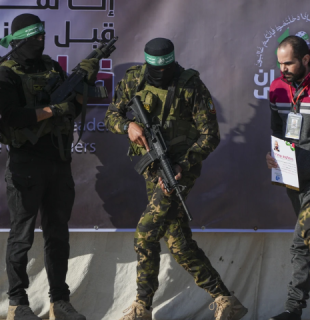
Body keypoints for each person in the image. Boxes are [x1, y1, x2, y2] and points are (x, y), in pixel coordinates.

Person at [105, 38, 247, 320]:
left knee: (145, 233)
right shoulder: (134, 79)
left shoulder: (191, 85)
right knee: (178, 242)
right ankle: (226, 300)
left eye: (165, 70)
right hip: (151, 168)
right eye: (154, 70)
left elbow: (210, 135)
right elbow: (112, 115)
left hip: (179, 170)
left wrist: (184, 163)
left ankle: (142, 307)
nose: (160, 76)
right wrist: (127, 126)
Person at [0, 13, 99, 320]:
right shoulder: (4, 74)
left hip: (58, 161)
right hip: (26, 163)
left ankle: (59, 302)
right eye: (35, 37)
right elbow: (14, 116)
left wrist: (82, 83)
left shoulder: (52, 67)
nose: (41, 41)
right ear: (22, 40)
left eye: (43, 36)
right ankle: (17, 304)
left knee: (58, 235)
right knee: (21, 236)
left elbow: (75, 107)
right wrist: (52, 109)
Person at [266, 35, 310, 320]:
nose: (283, 69)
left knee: (300, 242)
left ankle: (292, 311)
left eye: (289, 63)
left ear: (306, 60)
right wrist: (274, 154)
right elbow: (277, 131)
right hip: (295, 179)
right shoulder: (276, 88)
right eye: (280, 63)